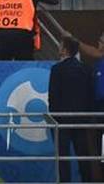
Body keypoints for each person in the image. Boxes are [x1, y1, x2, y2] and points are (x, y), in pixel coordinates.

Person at [48, 37, 101, 182]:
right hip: (81, 120)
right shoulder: (87, 69)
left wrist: (54, 117)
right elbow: (91, 95)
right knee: (83, 155)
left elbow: (53, 96)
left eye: (60, 45)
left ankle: (65, 181)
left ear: (65, 50)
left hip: (62, 121)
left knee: (63, 158)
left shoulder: (57, 69)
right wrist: (88, 117)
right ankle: (87, 180)